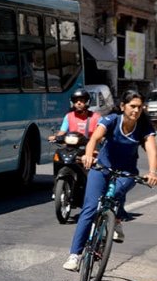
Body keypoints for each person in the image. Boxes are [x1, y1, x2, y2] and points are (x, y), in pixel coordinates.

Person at [62, 89, 157, 271]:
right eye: (132, 106)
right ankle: (74, 255)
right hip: (102, 168)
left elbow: (152, 150)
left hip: (127, 172)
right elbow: (94, 139)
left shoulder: (144, 126)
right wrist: (89, 156)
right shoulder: (112, 120)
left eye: (139, 107)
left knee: (118, 192)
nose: (136, 111)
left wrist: (152, 172)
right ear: (122, 106)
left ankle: (117, 218)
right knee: (89, 208)